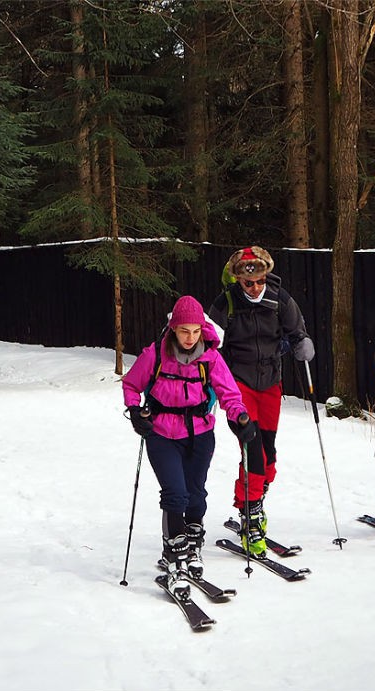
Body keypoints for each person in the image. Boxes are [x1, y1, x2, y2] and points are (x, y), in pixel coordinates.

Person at [122, 295, 255, 594]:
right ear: (174, 328)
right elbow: (131, 384)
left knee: (196, 493)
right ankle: (174, 555)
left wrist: (240, 417)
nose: (190, 337)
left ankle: (193, 545)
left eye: (195, 331)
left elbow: (230, 394)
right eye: (184, 331)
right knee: (175, 493)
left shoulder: (211, 358)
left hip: (200, 434)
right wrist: (135, 411)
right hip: (161, 434)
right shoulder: (156, 354)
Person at [206, 247, 314, 556]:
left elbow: (297, 331)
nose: (254, 287)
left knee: (269, 459)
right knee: (252, 451)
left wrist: (302, 344)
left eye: (260, 281)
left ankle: (253, 502)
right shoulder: (225, 303)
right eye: (248, 282)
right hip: (237, 386)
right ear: (238, 279)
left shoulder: (280, 299)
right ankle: (250, 518)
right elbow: (208, 344)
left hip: (270, 383)